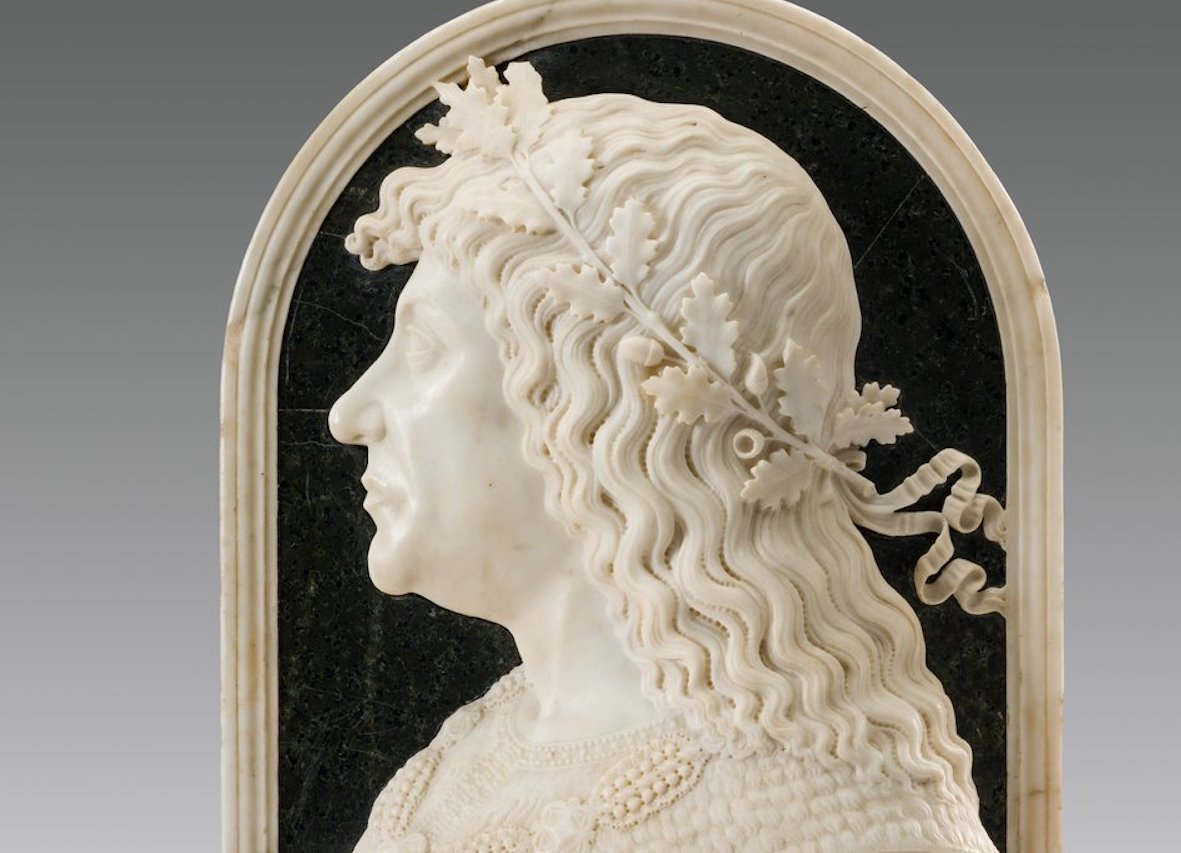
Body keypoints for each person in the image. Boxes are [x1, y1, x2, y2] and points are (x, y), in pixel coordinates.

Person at [329, 57, 1003, 853]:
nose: (348, 414)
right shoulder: (463, 760)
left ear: (603, 412)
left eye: (426, 347)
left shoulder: (834, 818)